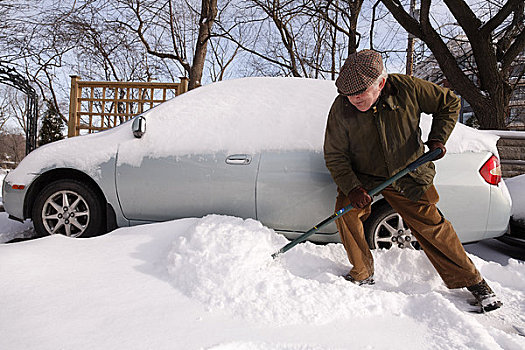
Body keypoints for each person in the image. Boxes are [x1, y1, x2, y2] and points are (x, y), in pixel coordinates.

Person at [323, 49, 502, 312]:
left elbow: (450, 103)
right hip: (364, 175)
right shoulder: (342, 107)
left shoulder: (407, 89)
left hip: (408, 171)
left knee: (433, 226)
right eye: (349, 94)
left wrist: (438, 137)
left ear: (381, 83)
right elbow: (335, 154)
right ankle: (362, 272)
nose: (354, 99)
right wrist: (353, 187)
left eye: (360, 93)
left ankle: (475, 283)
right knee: (346, 213)